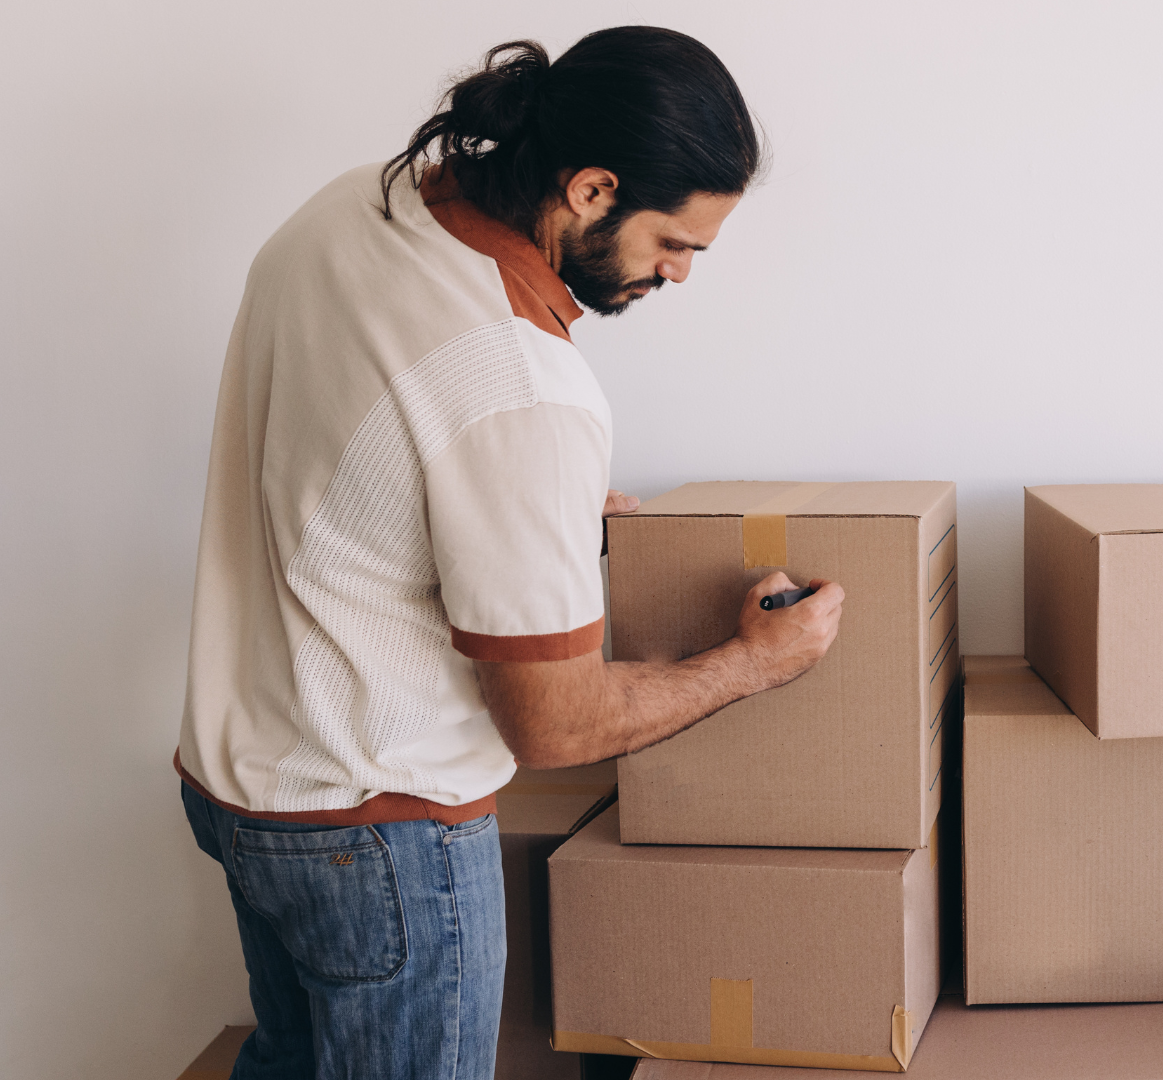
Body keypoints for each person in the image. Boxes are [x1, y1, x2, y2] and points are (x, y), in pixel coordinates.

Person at [174, 27, 843, 1079]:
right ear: (588, 191)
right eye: (675, 242)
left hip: (242, 784)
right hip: (378, 831)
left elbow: (364, 459)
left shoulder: (355, 207)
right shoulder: (523, 385)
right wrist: (753, 664)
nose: (679, 273)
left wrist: (528, 515)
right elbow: (552, 723)